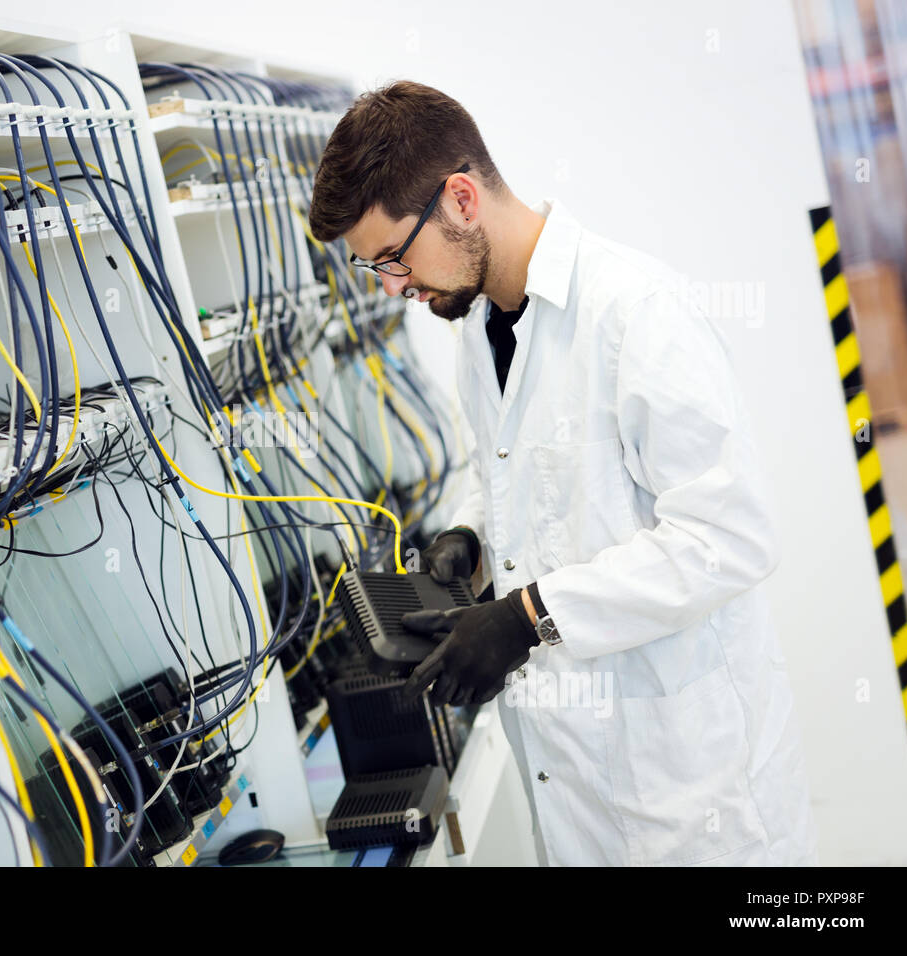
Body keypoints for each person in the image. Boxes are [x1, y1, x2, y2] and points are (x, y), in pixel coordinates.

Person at [307, 80, 817, 866]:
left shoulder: (634, 313)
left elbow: (730, 535)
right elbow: (517, 469)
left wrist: (528, 615)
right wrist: (469, 535)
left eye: (391, 260)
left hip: (694, 809)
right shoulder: (480, 327)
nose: (394, 289)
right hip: (578, 800)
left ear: (462, 200)